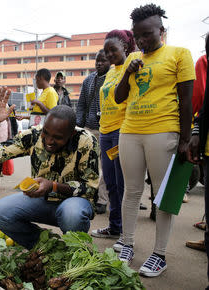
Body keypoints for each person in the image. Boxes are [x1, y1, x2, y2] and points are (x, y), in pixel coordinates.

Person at [114, 4, 195, 277]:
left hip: (164, 131)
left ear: (162, 31)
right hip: (131, 131)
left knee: (163, 195)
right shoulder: (132, 58)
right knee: (132, 190)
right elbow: (118, 97)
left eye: (148, 34)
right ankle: (126, 244)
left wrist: (185, 140)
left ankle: (159, 254)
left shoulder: (180, 54)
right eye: (138, 36)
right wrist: (128, 71)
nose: (143, 40)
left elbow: (186, 100)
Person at [0, 87, 99, 249]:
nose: (49, 141)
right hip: (41, 201)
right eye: (47, 133)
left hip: (73, 202)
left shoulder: (86, 141)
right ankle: (46, 246)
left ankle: (77, 248)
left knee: (72, 215)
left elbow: (90, 189)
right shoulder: (35, 134)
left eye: (57, 138)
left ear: (71, 134)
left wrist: (52, 186)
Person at [90, 30, 136, 250]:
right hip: (105, 132)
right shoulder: (109, 73)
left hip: (121, 131)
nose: (108, 55)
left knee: (122, 184)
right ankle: (114, 226)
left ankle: (126, 234)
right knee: (109, 182)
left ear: (125, 48)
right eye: (106, 51)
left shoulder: (132, 67)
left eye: (113, 50)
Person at [76, 50, 111, 214]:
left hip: (109, 128)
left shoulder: (114, 78)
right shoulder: (88, 80)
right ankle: (89, 195)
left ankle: (103, 200)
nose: (99, 64)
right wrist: (79, 127)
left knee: (107, 166)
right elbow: (81, 105)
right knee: (89, 165)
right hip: (90, 128)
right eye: (97, 61)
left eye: (103, 61)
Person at [187, 32, 209, 287]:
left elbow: (199, 97)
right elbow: (202, 100)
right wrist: (195, 133)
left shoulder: (202, 62)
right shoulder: (202, 62)